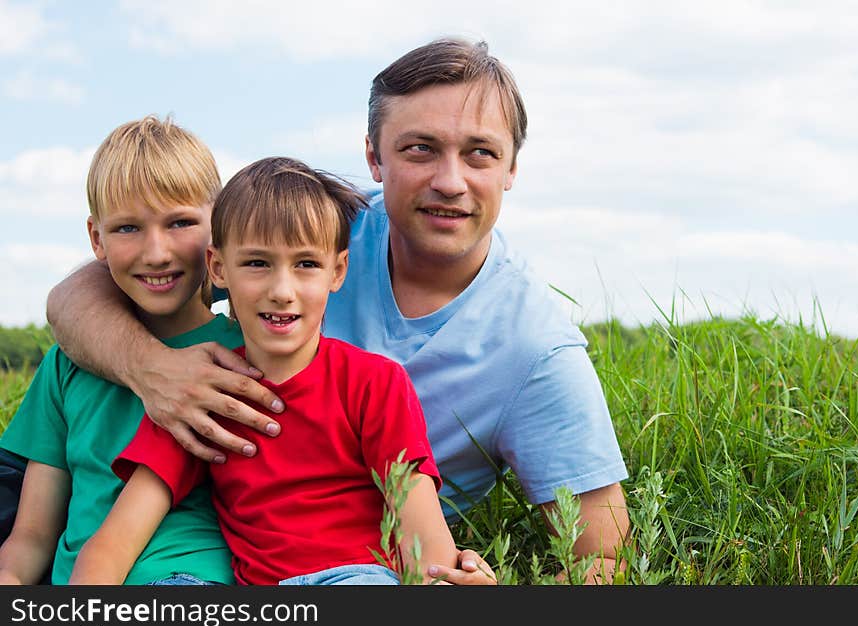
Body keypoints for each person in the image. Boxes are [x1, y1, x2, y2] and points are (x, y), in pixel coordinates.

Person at [45, 37, 631, 584]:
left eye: (480, 153)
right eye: (420, 148)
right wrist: (155, 370)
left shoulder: (535, 350)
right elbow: (83, 293)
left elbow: (604, 554)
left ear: (511, 170)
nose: (450, 181)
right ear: (374, 156)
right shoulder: (315, 224)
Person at [69, 156, 459, 586]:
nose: (281, 291)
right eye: (257, 263)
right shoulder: (204, 390)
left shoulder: (374, 383)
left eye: (306, 264)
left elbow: (421, 531)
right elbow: (116, 541)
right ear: (219, 268)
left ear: (338, 271)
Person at [0, 115, 239, 585]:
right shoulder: (66, 365)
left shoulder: (246, 353)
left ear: (218, 229)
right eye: (128, 228)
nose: (156, 252)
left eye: (180, 223)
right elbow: (30, 537)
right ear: (97, 240)